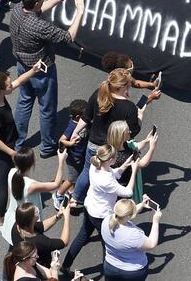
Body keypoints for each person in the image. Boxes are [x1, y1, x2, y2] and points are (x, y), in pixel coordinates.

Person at [10, 0, 85, 155]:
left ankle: (18, 141)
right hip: (42, 70)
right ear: (35, 4)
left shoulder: (17, 9)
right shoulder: (39, 26)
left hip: (22, 65)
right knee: (47, 109)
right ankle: (47, 146)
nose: (43, 2)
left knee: (24, 102)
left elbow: (40, 7)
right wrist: (79, 11)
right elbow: (68, 37)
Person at [68, 68, 159, 205]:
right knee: (112, 173)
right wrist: (140, 115)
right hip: (113, 147)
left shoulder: (99, 94)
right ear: (124, 86)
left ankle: (76, 198)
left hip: (93, 144)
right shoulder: (129, 108)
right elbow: (132, 131)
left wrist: (75, 133)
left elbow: (86, 117)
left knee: (87, 170)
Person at [0, 62, 43, 232]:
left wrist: (33, 71)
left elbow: (18, 82)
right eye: (8, 84)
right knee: (3, 185)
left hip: (0, 150)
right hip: (3, 150)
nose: (11, 84)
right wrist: (12, 152)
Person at [61, 144, 139, 275]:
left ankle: (66, 265)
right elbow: (128, 192)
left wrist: (127, 163)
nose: (117, 158)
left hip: (90, 207)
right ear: (110, 160)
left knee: (83, 235)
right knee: (107, 245)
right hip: (101, 215)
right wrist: (134, 170)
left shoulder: (95, 166)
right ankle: (108, 274)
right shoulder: (107, 180)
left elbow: (115, 173)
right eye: (115, 157)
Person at [2, 148, 67, 241]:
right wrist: (61, 161)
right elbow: (56, 184)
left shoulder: (11, 172)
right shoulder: (31, 186)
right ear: (31, 164)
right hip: (28, 222)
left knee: (16, 247)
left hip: (13, 218)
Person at [102, 198, 162, 281]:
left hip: (110, 266)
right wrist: (156, 222)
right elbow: (151, 244)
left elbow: (123, 216)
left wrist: (141, 204)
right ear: (127, 216)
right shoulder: (133, 235)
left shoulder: (106, 221)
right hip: (131, 273)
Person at [108, 120, 159, 203]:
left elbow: (135, 146)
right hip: (126, 183)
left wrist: (147, 140)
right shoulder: (122, 157)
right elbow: (142, 164)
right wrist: (152, 148)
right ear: (121, 136)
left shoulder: (117, 145)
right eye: (127, 131)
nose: (130, 131)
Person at [12, 202, 71, 268]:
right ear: (31, 219)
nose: (37, 209)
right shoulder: (39, 242)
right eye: (35, 212)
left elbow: (42, 226)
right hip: (41, 269)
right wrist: (67, 217)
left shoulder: (18, 226)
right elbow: (64, 242)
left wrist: (58, 216)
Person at [54, 99, 89, 209]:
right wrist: (71, 143)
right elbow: (61, 140)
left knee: (78, 175)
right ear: (78, 117)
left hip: (81, 155)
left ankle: (72, 190)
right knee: (72, 179)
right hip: (74, 158)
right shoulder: (72, 126)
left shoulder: (84, 123)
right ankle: (58, 194)